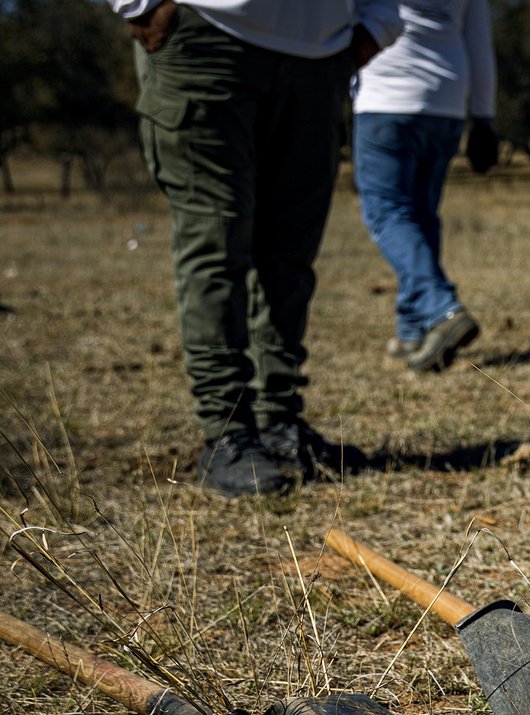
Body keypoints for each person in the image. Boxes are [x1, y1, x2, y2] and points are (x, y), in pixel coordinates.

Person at [113, 0, 402, 497]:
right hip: (206, 36)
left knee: (291, 253)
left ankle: (280, 423)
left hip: (321, 52)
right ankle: (227, 434)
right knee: (217, 246)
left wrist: (379, 23)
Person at [352, 0, 497, 373]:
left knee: (387, 213)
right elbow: (478, 42)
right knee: (419, 216)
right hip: (446, 99)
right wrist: (484, 116)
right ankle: (413, 331)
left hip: (385, 94)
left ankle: (440, 309)